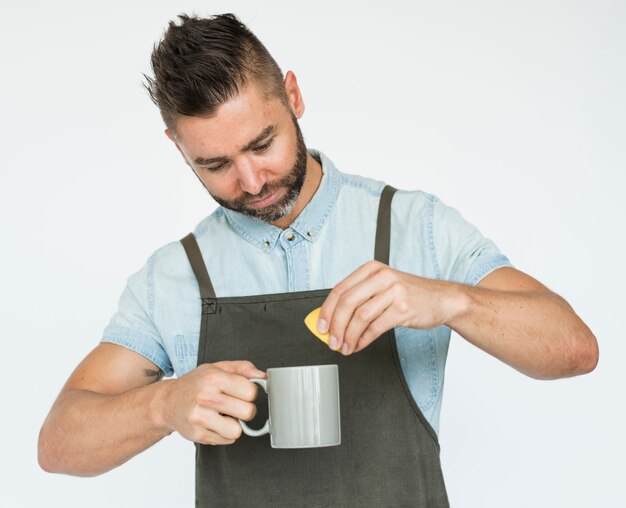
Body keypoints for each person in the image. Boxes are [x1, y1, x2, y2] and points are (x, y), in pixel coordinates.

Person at [38, 13, 598, 507]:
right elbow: (58, 445)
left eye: (262, 144)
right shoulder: (173, 276)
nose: (251, 181)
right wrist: (162, 403)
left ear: (294, 96)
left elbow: (575, 350)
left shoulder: (414, 226)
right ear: (177, 147)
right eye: (215, 165)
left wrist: (450, 299)